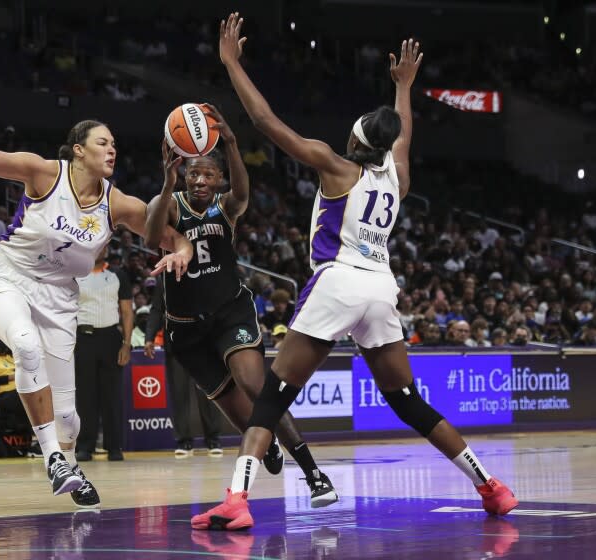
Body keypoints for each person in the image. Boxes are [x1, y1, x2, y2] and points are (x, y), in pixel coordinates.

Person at [192, 15, 518, 531]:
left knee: (273, 396)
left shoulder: (334, 165)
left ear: (355, 137)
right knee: (408, 401)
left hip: (339, 279)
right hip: (381, 288)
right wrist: (403, 87)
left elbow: (266, 122)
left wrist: (231, 63)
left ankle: (237, 499)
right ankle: (491, 487)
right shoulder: (397, 178)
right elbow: (404, 133)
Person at [0, 102, 192, 506]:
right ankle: (52, 457)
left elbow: (168, 236)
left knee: (68, 417)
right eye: (102, 142)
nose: (112, 149)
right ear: (78, 150)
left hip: (60, 298)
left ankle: (68, 458)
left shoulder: (116, 203)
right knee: (25, 345)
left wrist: (183, 251)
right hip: (8, 278)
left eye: (115, 144)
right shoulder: (46, 173)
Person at [145, 104, 337, 506]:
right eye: (193, 172)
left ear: (218, 181)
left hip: (230, 314)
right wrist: (167, 184)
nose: (199, 180)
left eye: (208, 174)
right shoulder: (171, 204)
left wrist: (231, 141)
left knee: (257, 387)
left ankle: (313, 473)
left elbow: (244, 192)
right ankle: (262, 440)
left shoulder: (226, 208)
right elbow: (150, 238)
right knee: (236, 408)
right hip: (186, 332)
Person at [143, 278, 223, 457]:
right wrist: (149, 337)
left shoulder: (203, 273)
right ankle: (184, 441)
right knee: (179, 394)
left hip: (203, 343)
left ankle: (213, 439)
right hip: (175, 343)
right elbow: (157, 309)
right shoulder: (165, 278)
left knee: (208, 392)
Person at [74, 245, 133, 462]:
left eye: (107, 244)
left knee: (112, 395)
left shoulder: (118, 275)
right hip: (83, 337)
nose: (103, 248)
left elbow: (127, 311)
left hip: (110, 338)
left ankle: (114, 446)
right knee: (85, 395)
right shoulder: (76, 274)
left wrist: (126, 344)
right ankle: (85, 446)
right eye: (99, 244)